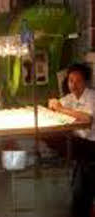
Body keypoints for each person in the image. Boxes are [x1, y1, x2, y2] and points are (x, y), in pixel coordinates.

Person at [48, 64, 95, 217]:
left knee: (83, 183)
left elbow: (87, 118)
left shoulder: (91, 97)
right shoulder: (70, 97)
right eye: (70, 81)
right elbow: (56, 104)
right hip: (79, 145)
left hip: (91, 145)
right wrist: (54, 103)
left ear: (85, 82)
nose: (73, 85)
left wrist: (61, 109)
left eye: (78, 81)